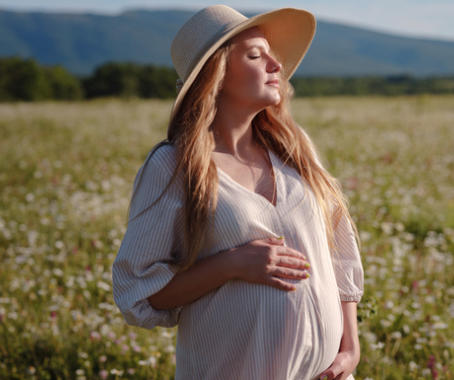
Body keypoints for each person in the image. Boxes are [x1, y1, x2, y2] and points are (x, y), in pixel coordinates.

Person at [112, 5, 364, 380]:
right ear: (216, 75)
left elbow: (339, 253)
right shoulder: (173, 166)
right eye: (254, 56)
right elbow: (138, 292)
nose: (275, 66)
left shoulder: (295, 150)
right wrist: (230, 264)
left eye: (272, 56)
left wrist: (350, 349)